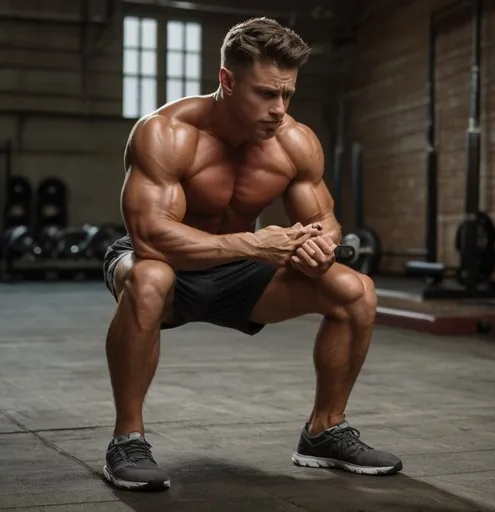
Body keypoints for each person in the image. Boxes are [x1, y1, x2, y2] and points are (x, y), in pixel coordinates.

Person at [101, 16, 402, 491]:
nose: (280, 108)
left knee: (355, 290)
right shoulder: (167, 132)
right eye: (266, 93)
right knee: (149, 278)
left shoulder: (294, 141)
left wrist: (321, 248)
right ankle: (127, 439)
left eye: (288, 94)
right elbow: (151, 238)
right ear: (227, 80)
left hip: (245, 263)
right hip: (169, 261)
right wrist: (252, 245)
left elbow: (324, 219)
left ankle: (324, 431)